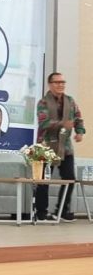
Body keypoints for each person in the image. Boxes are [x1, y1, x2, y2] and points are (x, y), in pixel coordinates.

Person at [35, 72, 86, 222]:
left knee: (70, 179)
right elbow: (44, 123)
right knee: (43, 180)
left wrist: (79, 132)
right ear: (50, 84)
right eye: (57, 82)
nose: (61, 85)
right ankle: (41, 213)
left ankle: (62, 211)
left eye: (63, 82)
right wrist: (63, 123)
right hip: (45, 145)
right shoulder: (43, 103)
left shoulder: (70, 101)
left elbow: (78, 118)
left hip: (65, 146)